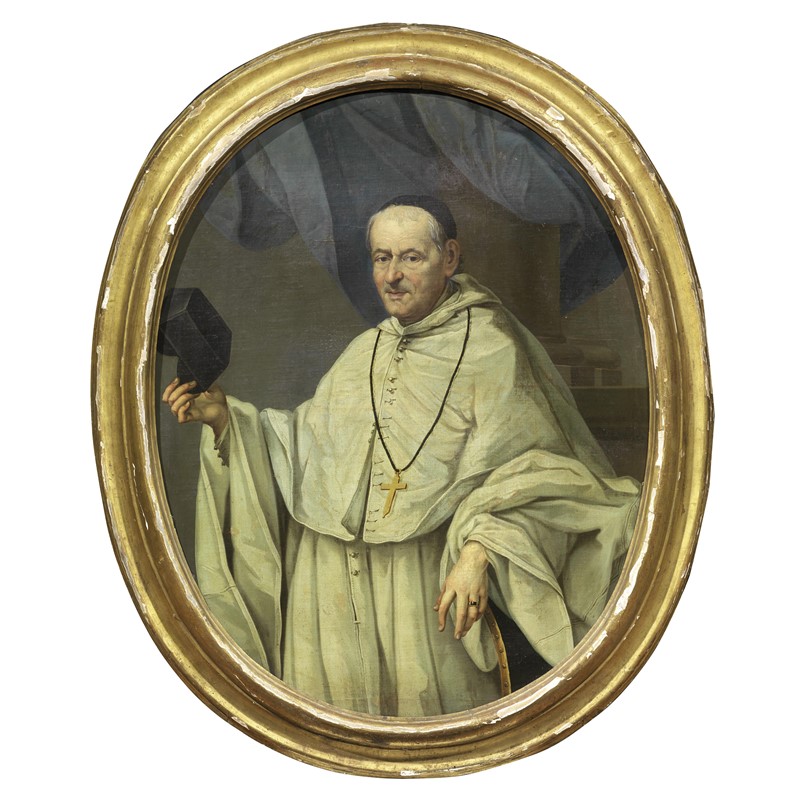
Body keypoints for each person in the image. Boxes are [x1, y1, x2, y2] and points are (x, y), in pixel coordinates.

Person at [163, 195, 641, 716]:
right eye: (381, 258)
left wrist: (478, 552)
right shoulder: (364, 350)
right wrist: (227, 421)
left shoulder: (492, 347)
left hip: (422, 589)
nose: (392, 276)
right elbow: (302, 448)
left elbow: (538, 472)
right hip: (328, 592)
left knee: (430, 728)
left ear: (449, 258)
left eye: (411, 257)